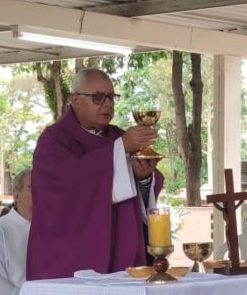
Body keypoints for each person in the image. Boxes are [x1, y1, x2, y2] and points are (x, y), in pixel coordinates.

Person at [27, 67, 163, 280]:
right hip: (71, 261)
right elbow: (67, 187)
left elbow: (144, 193)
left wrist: (143, 178)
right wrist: (120, 149)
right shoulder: (54, 141)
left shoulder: (118, 137)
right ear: (76, 100)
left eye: (111, 97)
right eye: (98, 97)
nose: (107, 104)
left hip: (121, 255)